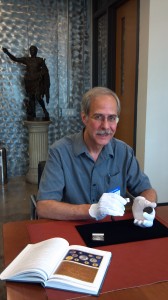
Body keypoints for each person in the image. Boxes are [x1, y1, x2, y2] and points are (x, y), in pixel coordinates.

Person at [37, 87, 157, 227]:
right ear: (84, 118)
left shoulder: (124, 152)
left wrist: (145, 207)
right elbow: (44, 207)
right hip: (73, 230)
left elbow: (147, 190)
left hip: (113, 229)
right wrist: (92, 210)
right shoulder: (59, 152)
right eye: (98, 117)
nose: (105, 126)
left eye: (111, 118)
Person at [2, 45, 50, 120]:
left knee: (38, 97)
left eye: (33, 50)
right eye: (31, 50)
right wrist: (7, 52)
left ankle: (45, 110)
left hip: (37, 81)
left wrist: (43, 73)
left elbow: (45, 71)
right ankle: (33, 114)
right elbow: (15, 59)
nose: (32, 51)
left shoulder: (40, 60)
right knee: (31, 98)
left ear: (36, 51)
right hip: (29, 82)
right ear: (30, 52)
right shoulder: (27, 59)